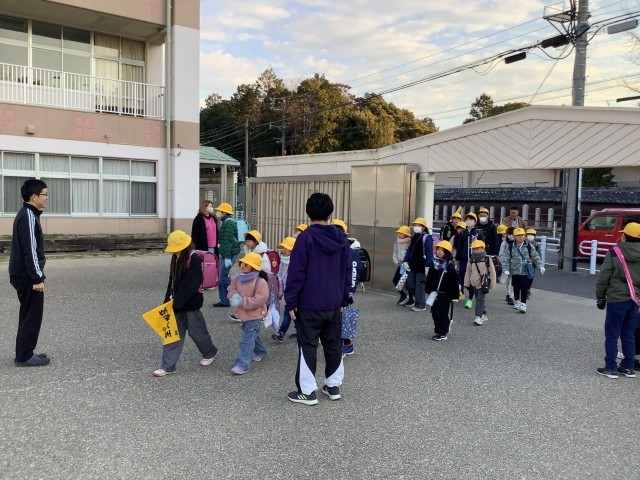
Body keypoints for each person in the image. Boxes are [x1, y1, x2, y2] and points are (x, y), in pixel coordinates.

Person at [284, 193, 351, 405]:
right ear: (330, 213)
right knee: (333, 344)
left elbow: (296, 273)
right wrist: (344, 299)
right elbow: (346, 271)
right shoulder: (341, 238)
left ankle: (307, 391)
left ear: (308, 213)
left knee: (307, 345)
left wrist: (291, 302)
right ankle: (333, 385)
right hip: (334, 302)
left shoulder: (305, 238)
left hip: (309, 303)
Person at [153, 230, 218, 377]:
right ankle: (168, 366)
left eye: (175, 249)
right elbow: (172, 281)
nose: (173, 252)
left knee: (197, 332)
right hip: (176, 304)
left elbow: (192, 283)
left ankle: (210, 352)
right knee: (172, 335)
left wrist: (177, 303)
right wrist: (167, 302)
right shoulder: (177, 258)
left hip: (190, 304)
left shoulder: (194, 258)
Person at [10, 179, 50, 367]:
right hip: (27, 277)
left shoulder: (28, 214)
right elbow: (30, 251)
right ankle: (25, 356)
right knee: (32, 316)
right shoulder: (28, 216)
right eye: (44, 194)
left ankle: (24, 352)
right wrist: (37, 278)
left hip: (23, 274)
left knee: (28, 314)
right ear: (34, 197)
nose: (47, 198)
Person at [595, 222, 640, 379]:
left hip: (617, 297)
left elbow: (604, 276)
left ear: (625, 236)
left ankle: (610, 367)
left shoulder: (615, 252)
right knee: (629, 333)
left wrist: (600, 297)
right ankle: (628, 367)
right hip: (636, 299)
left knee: (612, 333)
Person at [228, 252, 270, 375]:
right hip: (242, 314)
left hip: (255, 315)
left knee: (247, 340)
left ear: (254, 267)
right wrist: (234, 296)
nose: (243, 265)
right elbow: (231, 289)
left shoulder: (260, 282)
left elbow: (260, 300)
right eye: (242, 263)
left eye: (247, 264)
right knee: (252, 335)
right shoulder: (237, 277)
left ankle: (242, 365)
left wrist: (242, 301)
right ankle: (261, 350)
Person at [332, 219, 362, 357]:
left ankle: (346, 346)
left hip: (343, 292)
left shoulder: (351, 252)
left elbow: (354, 273)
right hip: (331, 291)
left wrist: (349, 292)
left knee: (342, 319)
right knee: (337, 319)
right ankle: (345, 345)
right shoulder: (331, 249)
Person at [500, 227, 544, 313]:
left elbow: (536, 256)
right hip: (514, 270)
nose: (521, 237)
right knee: (516, 286)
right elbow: (506, 258)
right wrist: (505, 269)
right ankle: (517, 300)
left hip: (525, 270)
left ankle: (523, 303)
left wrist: (540, 266)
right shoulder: (511, 247)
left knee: (524, 286)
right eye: (518, 235)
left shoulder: (529, 246)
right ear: (514, 236)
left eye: (522, 235)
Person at [425, 240, 459, 341]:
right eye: (438, 249)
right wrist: (428, 289)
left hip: (446, 294)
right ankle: (438, 330)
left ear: (447, 252)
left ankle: (443, 332)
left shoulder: (449, 265)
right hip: (435, 293)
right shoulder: (434, 263)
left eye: (442, 250)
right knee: (434, 312)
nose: (439, 252)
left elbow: (454, 282)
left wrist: (455, 296)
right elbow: (430, 277)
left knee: (442, 313)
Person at [402, 217, 434, 312]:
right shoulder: (414, 237)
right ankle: (419, 300)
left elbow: (429, 252)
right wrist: (405, 260)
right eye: (415, 225)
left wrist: (428, 266)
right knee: (410, 284)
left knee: (419, 286)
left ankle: (420, 305)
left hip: (422, 266)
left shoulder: (427, 237)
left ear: (423, 227)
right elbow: (410, 250)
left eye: (418, 225)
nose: (416, 227)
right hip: (412, 265)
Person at [455, 212, 484, 309]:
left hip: (474, 260)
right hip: (463, 260)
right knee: (462, 278)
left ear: (475, 221)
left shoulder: (478, 233)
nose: (469, 221)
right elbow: (459, 246)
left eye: (471, 219)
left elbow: (482, 246)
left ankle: (470, 299)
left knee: (473, 279)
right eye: (467, 219)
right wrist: (457, 258)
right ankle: (470, 291)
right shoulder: (463, 233)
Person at [464, 240, 497, 326]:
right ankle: (483, 314)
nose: (475, 250)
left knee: (479, 299)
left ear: (482, 248)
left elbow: (492, 272)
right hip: (474, 283)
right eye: (474, 249)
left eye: (477, 248)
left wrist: (492, 284)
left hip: (483, 283)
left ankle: (478, 316)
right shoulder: (471, 259)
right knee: (478, 298)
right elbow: (468, 271)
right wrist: (467, 282)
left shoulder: (487, 259)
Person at [213, 202, 240, 308]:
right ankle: (225, 299)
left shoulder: (228, 223)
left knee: (222, 277)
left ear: (224, 212)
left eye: (219, 211)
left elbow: (228, 241)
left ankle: (229, 298)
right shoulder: (227, 221)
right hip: (227, 253)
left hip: (229, 253)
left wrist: (227, 257)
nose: (217, 212)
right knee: (222, 276)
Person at [272, 236, 296, 342]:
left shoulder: (297, 262)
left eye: (286, 248)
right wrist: (279, 290)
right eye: (283, 248)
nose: (283, 250)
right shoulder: (283, 261)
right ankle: (284, 332)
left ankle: (281, 332)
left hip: (295, 291)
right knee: (291, 312)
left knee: (290, 312)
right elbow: (280, 275)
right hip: (287, 290)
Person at [392, 226, 412, 305]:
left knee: (408, 283)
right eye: (399, 233)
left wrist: (408, 262)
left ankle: (411, 299)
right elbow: (395, 253)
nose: (399, 235)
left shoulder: (410, 242)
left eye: (402, 233)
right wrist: (397, 262)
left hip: (408, 265)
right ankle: (403, 295)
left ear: (406, 234)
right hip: (401, 265)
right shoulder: (397, 243)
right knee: (395, 280)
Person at [499, 226, 515, 305]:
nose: (511, 235)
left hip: (515, 265)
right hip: (507, 264)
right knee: (508, 280)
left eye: (513, 234)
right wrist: (504, 263)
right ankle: (508, 293)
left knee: (513, 281)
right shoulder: (504, 243)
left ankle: (511, 296)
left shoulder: (518, 243)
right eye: (509, 234)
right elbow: (501, 254)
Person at [525, 228, 542, 299]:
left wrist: (539, 265)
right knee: (524, 277)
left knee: (530, 277)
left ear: (535, 236)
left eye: (532, 235)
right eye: (529, 234)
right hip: (523, 263)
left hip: (532, 264)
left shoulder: (537, 244)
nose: (530, 236)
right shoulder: (523, 243)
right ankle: (524, 290)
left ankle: (528, 289)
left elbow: (539, 255)